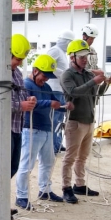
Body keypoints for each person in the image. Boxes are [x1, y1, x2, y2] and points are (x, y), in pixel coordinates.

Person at [15, 54, 73, 210]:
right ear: (35, 71)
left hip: (47, 129)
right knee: (26, 165)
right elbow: (31, 103)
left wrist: (64, 105)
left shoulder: (46, 87)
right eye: (43, 75)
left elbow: (56, 101)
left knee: (48, 162)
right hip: (31, 129)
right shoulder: (26, 84)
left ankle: (45, 190)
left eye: (48, 77)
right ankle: (21, 196)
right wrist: (50, 103)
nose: (45, 79)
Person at [60, 39, 111, 204]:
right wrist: (93, 81)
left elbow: (96, 95)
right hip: (75, 122)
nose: (85, 59)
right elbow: (73, 92)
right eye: (81, 56)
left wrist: (105, 84)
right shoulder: (67, 75)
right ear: (72, 57)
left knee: (83, 156)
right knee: (70, 157)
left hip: (89, 120)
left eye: (86, 56)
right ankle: (66, 188)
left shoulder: (88, 74)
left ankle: (80, 185)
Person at [0, 34, 36, 178]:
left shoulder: (17, 73)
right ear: (7, 54)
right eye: (17, 59)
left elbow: (21, 96)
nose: (19, 63)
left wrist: (29, 100)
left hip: (17, 128)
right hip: (1, 129)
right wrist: (20, 106)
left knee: (12, 168)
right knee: (0, 170)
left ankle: (1, 200)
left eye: (21, 60)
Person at [46, 30, 75, 154]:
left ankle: (57, 143)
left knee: (59, 120)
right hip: (54, 89)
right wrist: (62, 74)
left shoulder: (63, 53)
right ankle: (52, 146)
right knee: (54, 119)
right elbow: (47, 65)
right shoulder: (55, 50)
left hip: (61, 89)